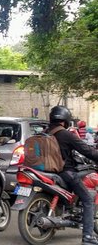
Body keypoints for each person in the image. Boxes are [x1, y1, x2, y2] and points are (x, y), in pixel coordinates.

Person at [48, 105, 98, 245]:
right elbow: (87, 151)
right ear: (66, 120)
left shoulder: (45, 132)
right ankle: (88, 236)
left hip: (47, 172)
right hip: (64, 172)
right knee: (88, 200)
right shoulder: (66, 134)